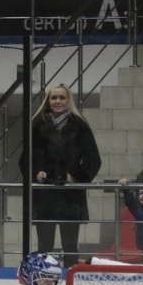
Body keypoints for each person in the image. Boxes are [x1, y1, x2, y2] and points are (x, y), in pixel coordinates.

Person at [19, 84, 101, 268]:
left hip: (70, 195)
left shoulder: (80, 124)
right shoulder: (36, 123)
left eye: (62, 98)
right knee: (44, 246)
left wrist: (74, 177)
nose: (57, 101)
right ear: (48, 100)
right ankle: (42, 277)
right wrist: (35, 173)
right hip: (44, 193)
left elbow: (94, 160)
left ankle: (71, 278)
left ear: (68, 100)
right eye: (53, 97)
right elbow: (24, 160)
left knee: (70, 246)